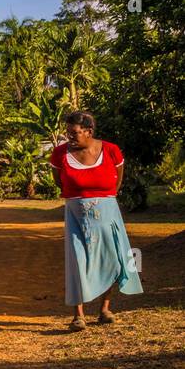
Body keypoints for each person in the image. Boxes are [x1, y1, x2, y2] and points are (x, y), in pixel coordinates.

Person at [48, 111, 143, 331]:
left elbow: (117, 180)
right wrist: (80, 197)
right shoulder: (60, 154)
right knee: (78, 262)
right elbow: (59, 182)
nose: (70, 137)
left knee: (111, 259)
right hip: (76, 214)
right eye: (68, 132)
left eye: (75, 133)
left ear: (89, 132)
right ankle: (78, 316)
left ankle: (104, 310)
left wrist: (102, 199)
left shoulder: (111, 150)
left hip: (107, 212)